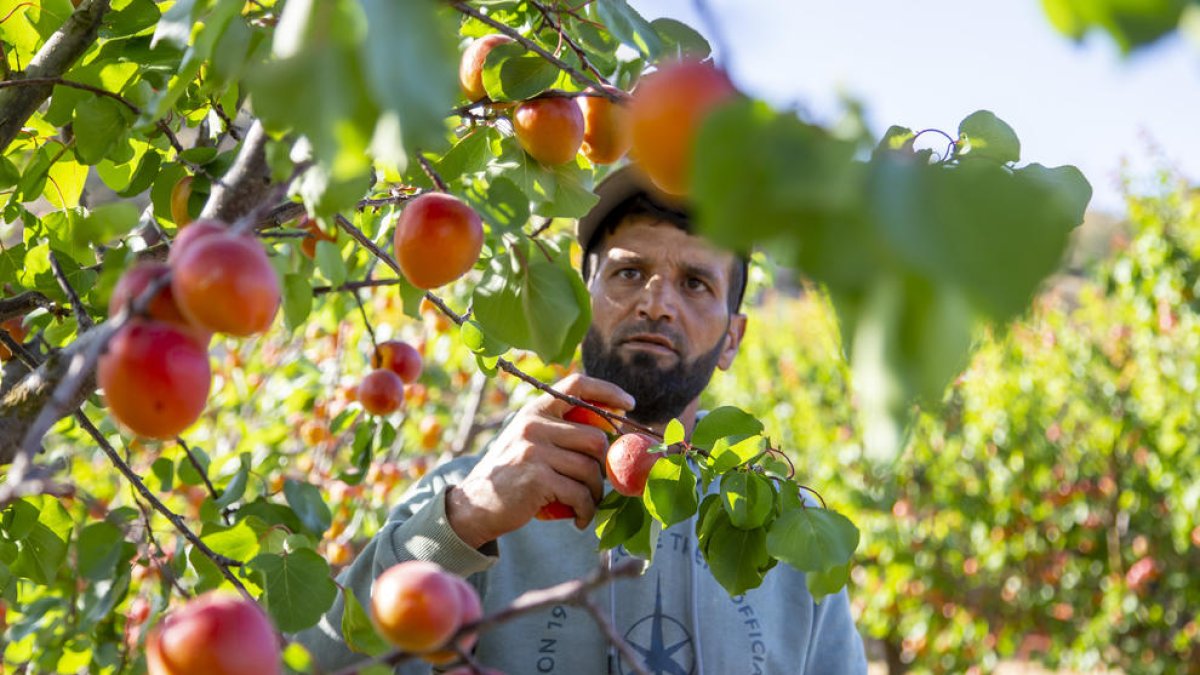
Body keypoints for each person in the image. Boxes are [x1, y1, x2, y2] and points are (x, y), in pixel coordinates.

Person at [297, 167, 869, 674]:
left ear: (732, 340)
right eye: (627, 272)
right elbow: (319, 663)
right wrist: (463, 521)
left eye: (695, 283)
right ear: (581, 297)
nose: (656, 303)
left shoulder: (786, 532)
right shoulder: (471, 499)